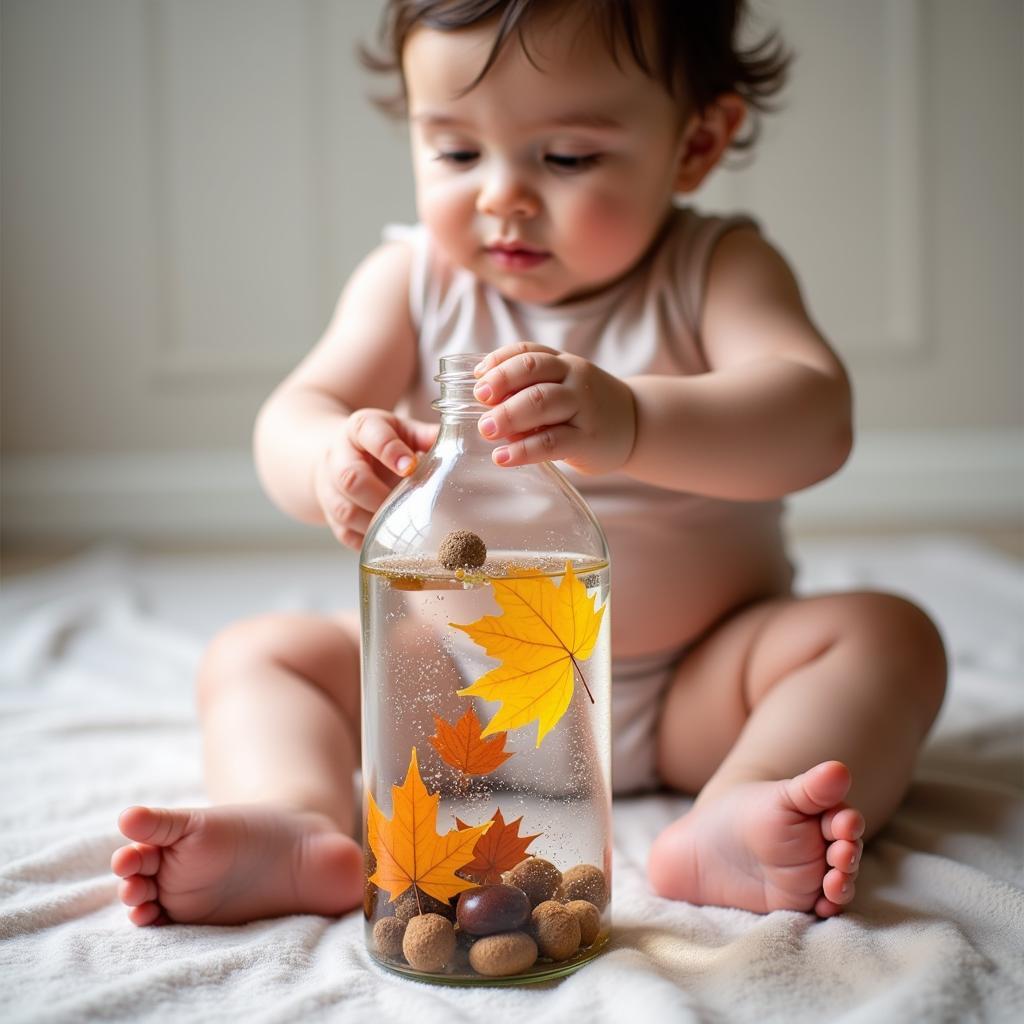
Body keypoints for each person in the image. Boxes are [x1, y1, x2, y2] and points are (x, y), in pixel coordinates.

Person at [111, 0, 947, 926]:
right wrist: (327, 458)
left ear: (698, 142)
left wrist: (631, 418)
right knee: (259, 654)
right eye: (457, 152)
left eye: (566, 157)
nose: (499, 195)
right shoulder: (412, 279)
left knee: (884, 635)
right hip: (454, 689)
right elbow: (291, 414)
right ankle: (298, 825)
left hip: (697, 689)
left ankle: (737, 809)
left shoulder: (716, 268)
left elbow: (814, 418)